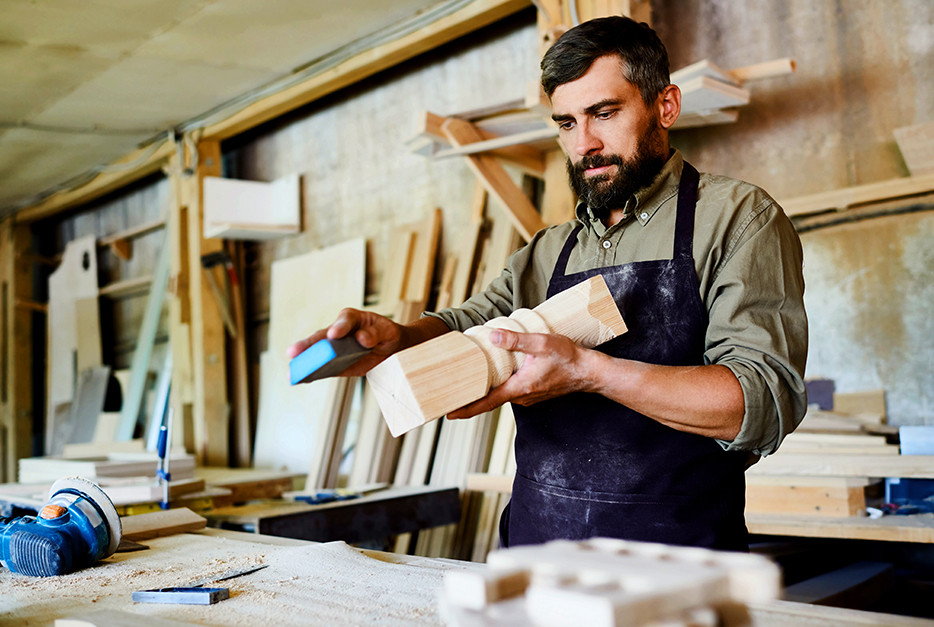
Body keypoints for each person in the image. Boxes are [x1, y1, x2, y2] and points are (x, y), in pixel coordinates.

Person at [289, 16, 808, 551]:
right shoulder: (547, 251)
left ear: (665, 106)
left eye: (604, 114)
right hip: (540, 552)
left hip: (676, 563)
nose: (585, 143)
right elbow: (469, 328)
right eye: (566, 124)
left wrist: (591, 372)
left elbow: (760, 400)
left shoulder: (737, 218)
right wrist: (396, 338)